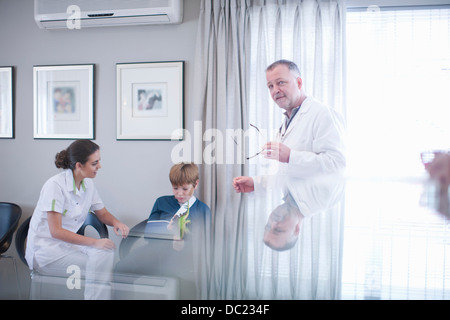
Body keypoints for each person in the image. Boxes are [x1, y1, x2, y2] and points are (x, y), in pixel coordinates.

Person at [25, 140, 129, 300]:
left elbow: (102, 213)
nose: (99, 166)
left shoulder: (88, 184)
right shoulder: (55, 186)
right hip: (46, 252)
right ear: (79, 165)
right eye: (95, 163)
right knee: (97, 265)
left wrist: (116, 222)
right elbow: (56, 231)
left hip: (68, 246)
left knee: (106, 252)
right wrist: (95, 242)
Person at [233, 59, 346, 193]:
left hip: (316, 209)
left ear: (299, 83)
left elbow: (336, 165)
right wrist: (256, 183)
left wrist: (290, 156)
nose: (275, 90)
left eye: (281, 82)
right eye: (270, 86)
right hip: (292, 207)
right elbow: (287, 175)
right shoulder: (286, 123)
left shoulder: (322, 114)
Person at [114, 162, 211, 299]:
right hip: (155, 251)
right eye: (175, 188)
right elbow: (148, 235)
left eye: (185, 189)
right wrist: (167, 232)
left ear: (195, 184)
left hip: (183, 257)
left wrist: (182, 242)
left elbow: (204, 244)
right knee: (121, 268)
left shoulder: (202, 210)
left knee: (185, 283)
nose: (179, 194)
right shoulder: (161, 202)